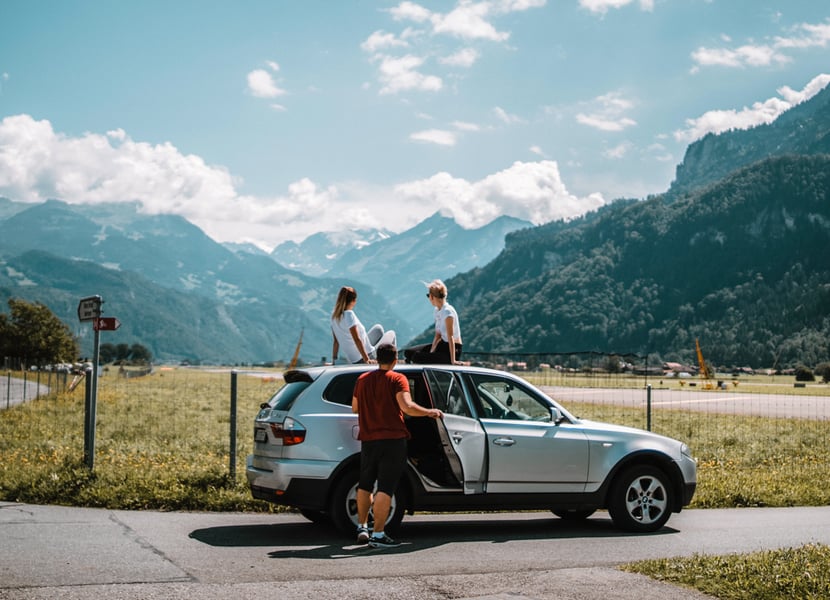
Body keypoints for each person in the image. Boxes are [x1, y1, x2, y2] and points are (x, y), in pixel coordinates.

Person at [351, 343, 443, 548]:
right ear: (395, 360)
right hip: (392, 440)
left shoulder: (362, 380)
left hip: (368, 440)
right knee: (385, 486)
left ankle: (362, 527)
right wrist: (430, 412)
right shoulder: (397, 378)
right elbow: (407, 407)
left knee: (365, 483)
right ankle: (378, 535)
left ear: (376, 358)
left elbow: (354, 408)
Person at [404, 279, 463, 365]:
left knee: (417, 357)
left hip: (453, 350)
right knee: (408, 353)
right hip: (442, 345)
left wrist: (453, 361)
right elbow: (438, 335)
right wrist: (431, 352)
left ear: (432, 297)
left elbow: (451, 338)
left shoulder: (448, 312)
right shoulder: (437, 311)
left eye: (428, 295)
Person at [331, 286, 395, 364]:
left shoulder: (334, 317)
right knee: (392, 334)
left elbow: (336, 341)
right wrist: (367, 359)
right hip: (366, 355)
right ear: (354, 300)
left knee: (378, 328)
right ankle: (393, 360)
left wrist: (334, 360)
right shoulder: (349, 315)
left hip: (353, 358)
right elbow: (357, 339)